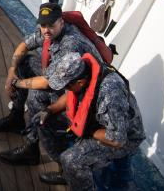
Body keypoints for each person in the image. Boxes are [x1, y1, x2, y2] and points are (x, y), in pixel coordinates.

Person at [0, 3, 105, 166]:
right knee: (24, 62)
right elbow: (24, 45)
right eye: (43, 25)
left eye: (51, 25)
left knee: (36, 97)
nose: (46, 30)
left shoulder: (70, 44)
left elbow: (48, 83)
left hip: (78, 90)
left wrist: (15, 83)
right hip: (61, 78)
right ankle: (16, 118)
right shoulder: (49, 31)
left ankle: (33, 149)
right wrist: (11, 71)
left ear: (61, 23)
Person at [37, 52, 145, 189]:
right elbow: (71, 95)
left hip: (124, 137)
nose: (65, 89)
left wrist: (87, 130)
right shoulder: (82, 74)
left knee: (71, 160)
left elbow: (117, 139)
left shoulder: (111, 93)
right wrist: (49, 110)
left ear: (80, 82)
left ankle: (75, 173)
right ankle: (69, 174)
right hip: (97, 124)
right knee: (43, 123)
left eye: (66, 85)